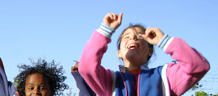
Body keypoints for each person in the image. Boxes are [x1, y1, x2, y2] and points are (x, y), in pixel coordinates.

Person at [78, 13, 210, 96]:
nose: (133, 39)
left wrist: (165, 41)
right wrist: (105, 30)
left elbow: (198, 67)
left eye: (139, 36)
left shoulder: (165, 76)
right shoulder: (109, 81)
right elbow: (87, 67)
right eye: (127, 37)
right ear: (119, 53)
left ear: (150, 50)